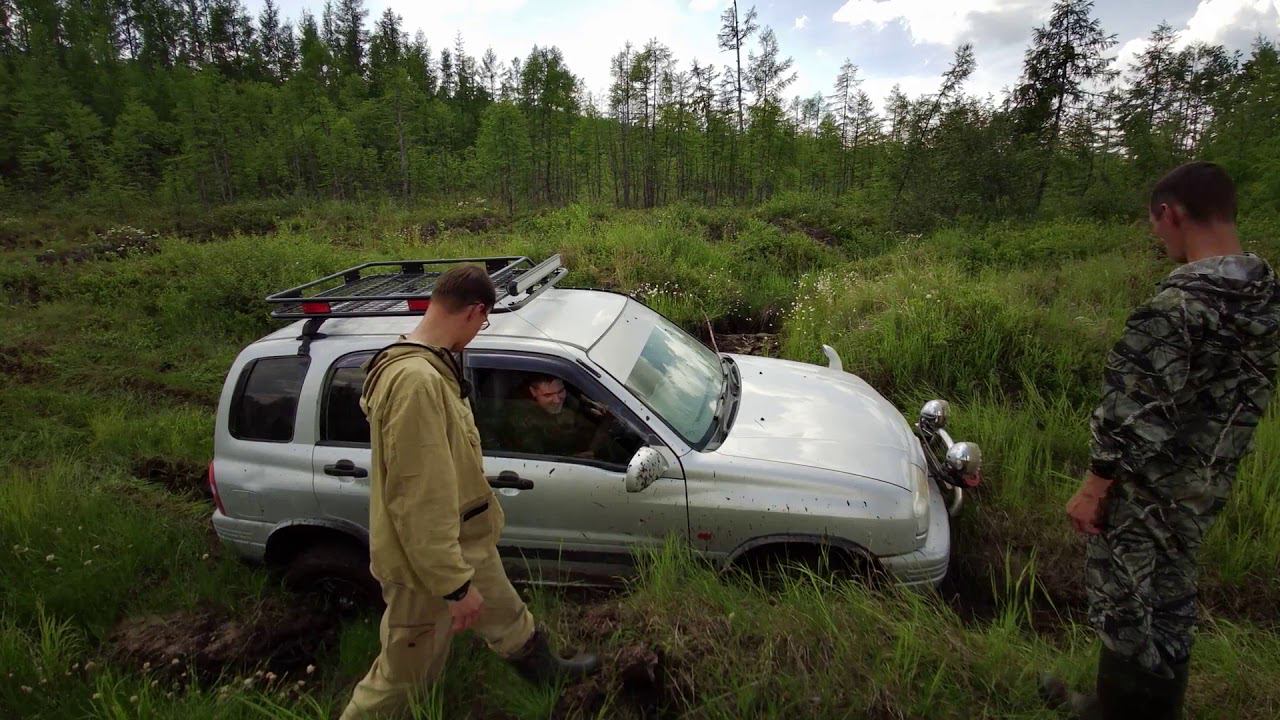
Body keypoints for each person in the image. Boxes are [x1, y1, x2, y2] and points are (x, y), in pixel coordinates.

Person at [1042, 162, 1280, 719]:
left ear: (1169, 213)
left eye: (1154, 223)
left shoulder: (1176, 307)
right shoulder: (1265, 297)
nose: (1155, 235)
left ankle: (1116, 711)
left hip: (1148, 489)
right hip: (1206, 484)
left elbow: (1134, 411)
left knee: (1127, 596)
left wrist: (1095, 486)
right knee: (1171, 594)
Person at [340, 266, 599, 720]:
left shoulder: (429, 362)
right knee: (403, 675)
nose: (481, 331)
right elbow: (420, 499)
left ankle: (549, 675)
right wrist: (454, 587)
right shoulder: (416, 383)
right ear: (476, 311)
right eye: (485, 322)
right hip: (427, 568)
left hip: (466, 543)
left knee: (505, 614)